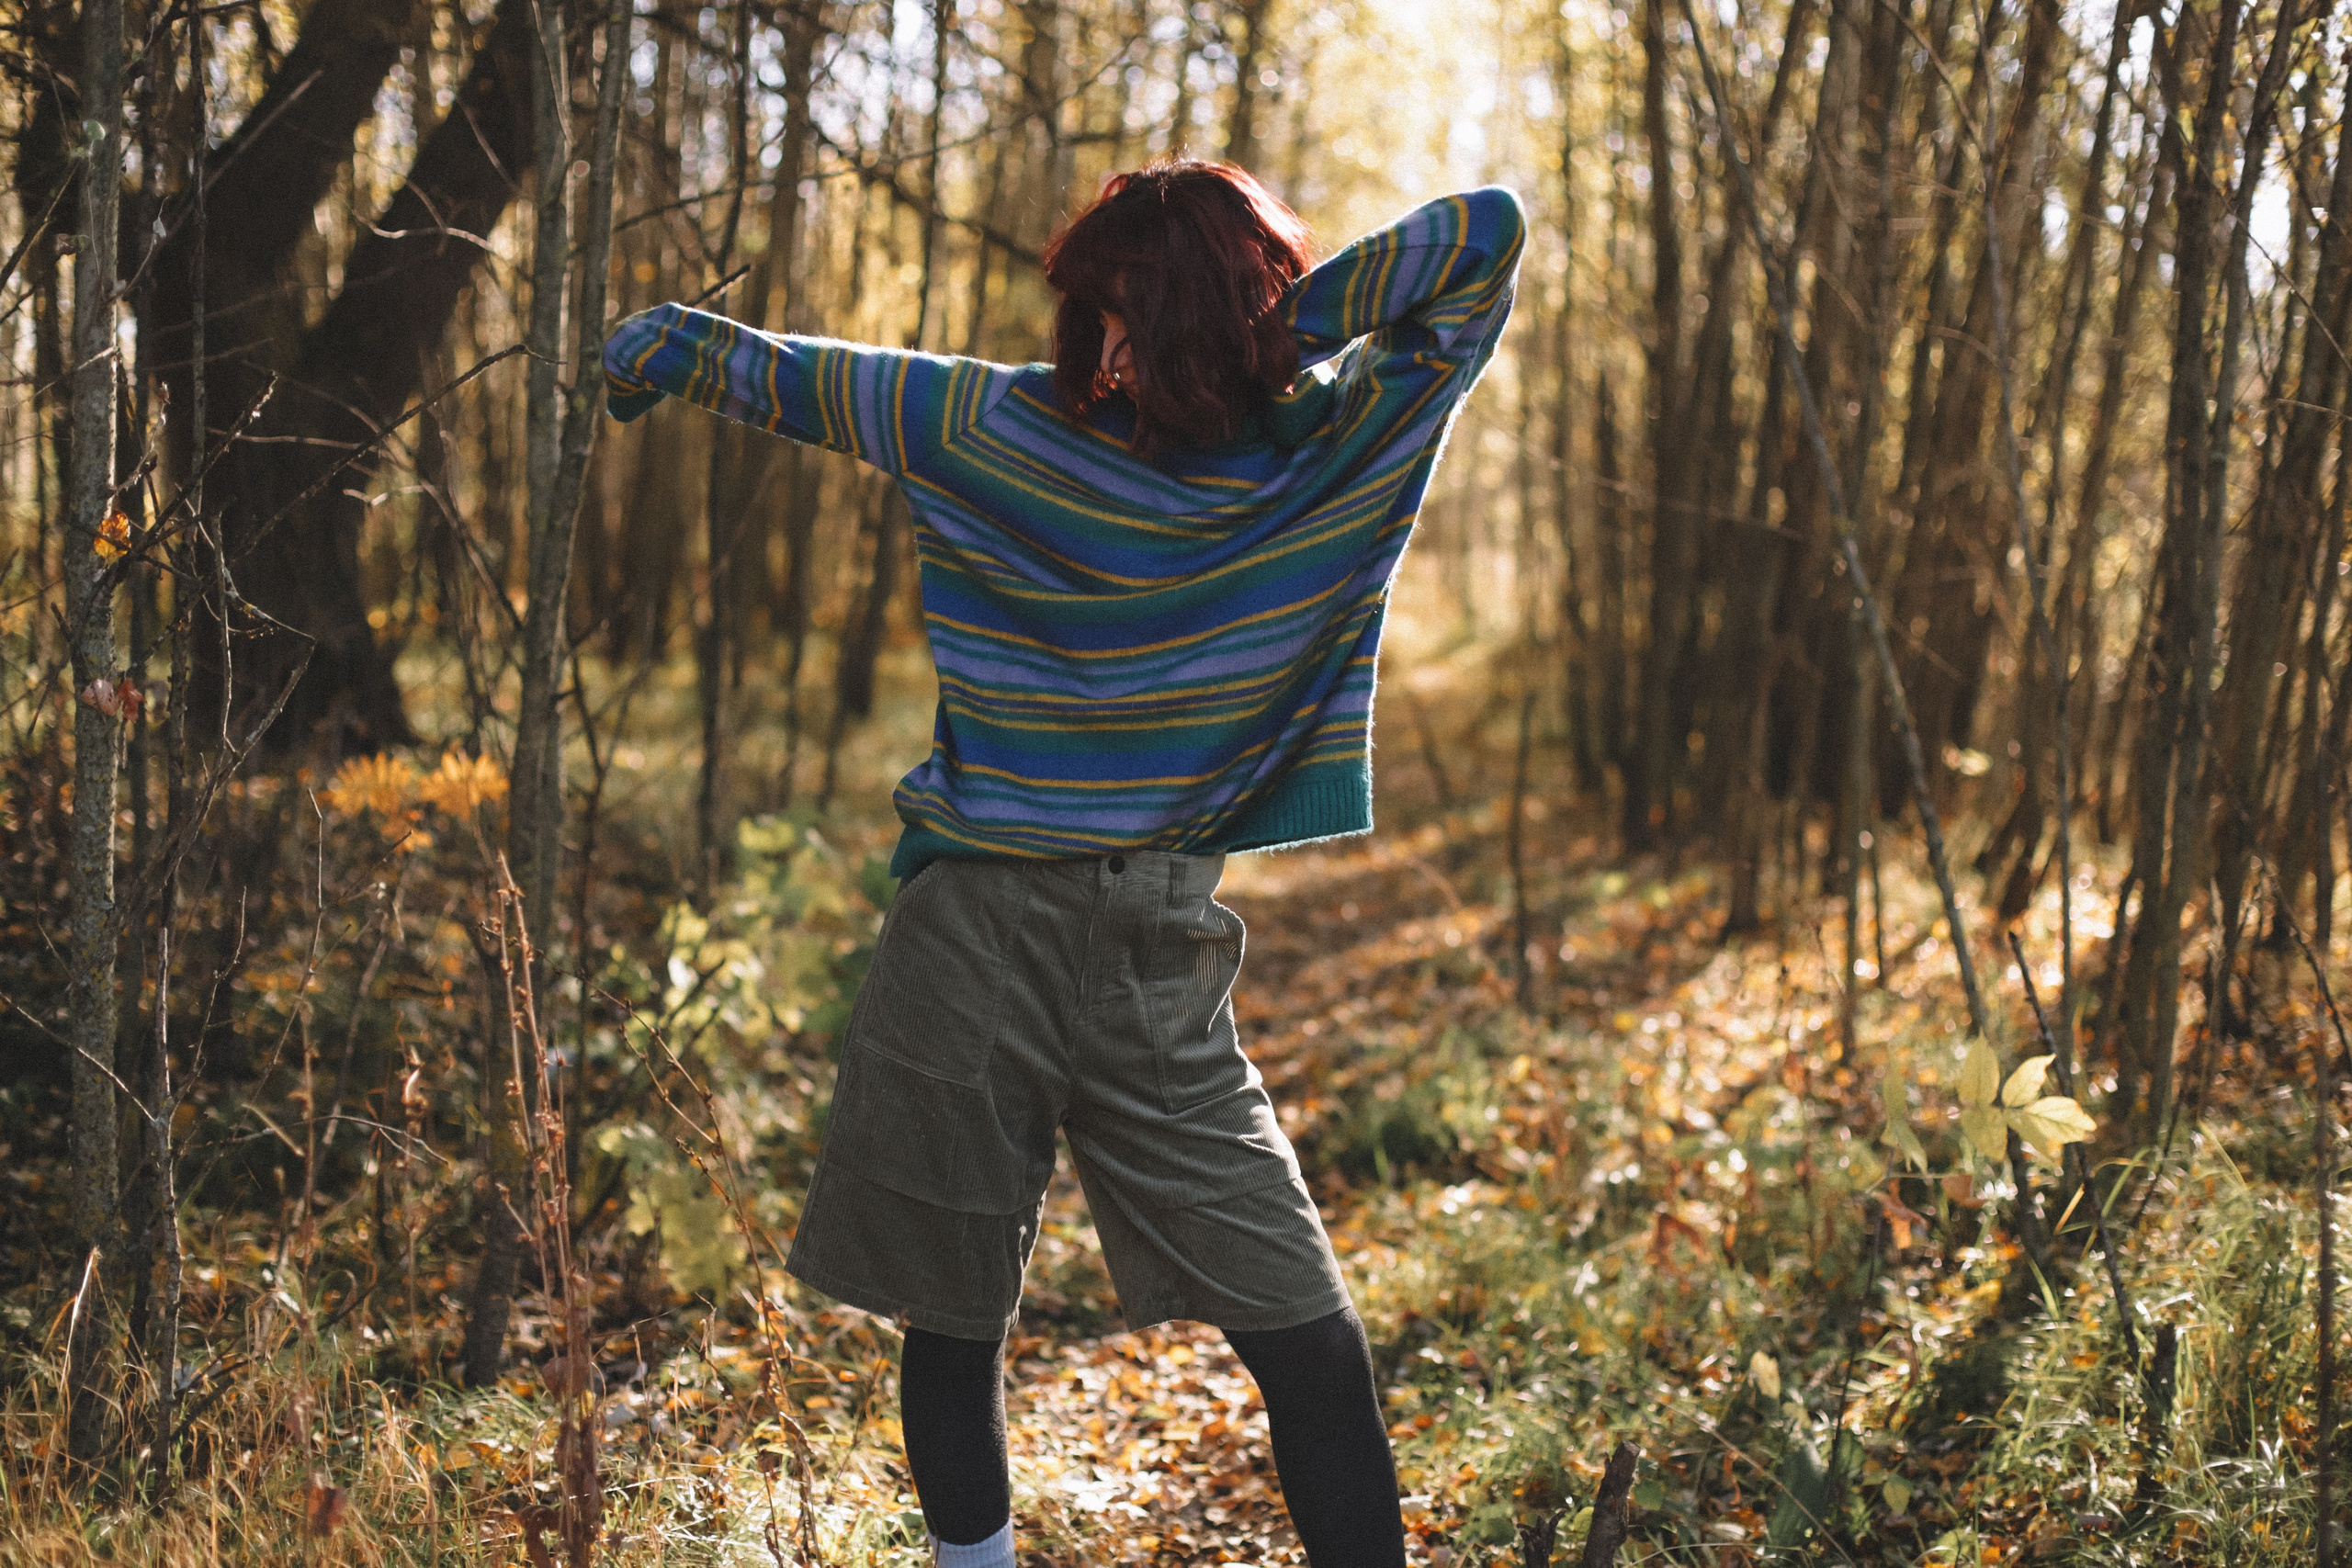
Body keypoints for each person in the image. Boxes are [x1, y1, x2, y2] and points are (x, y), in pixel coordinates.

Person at [603, 162, 1522, 1568]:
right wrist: (653, 351)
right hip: (969, 933)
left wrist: (1261, 333)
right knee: (953, 1309)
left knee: (1308, 1330)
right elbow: (790, 375)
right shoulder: (993, 423)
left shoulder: (1329, 446)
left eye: (1135, 314)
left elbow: (1487, 235)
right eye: (1091, 315)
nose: (1102, 350)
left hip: (1158, 955)